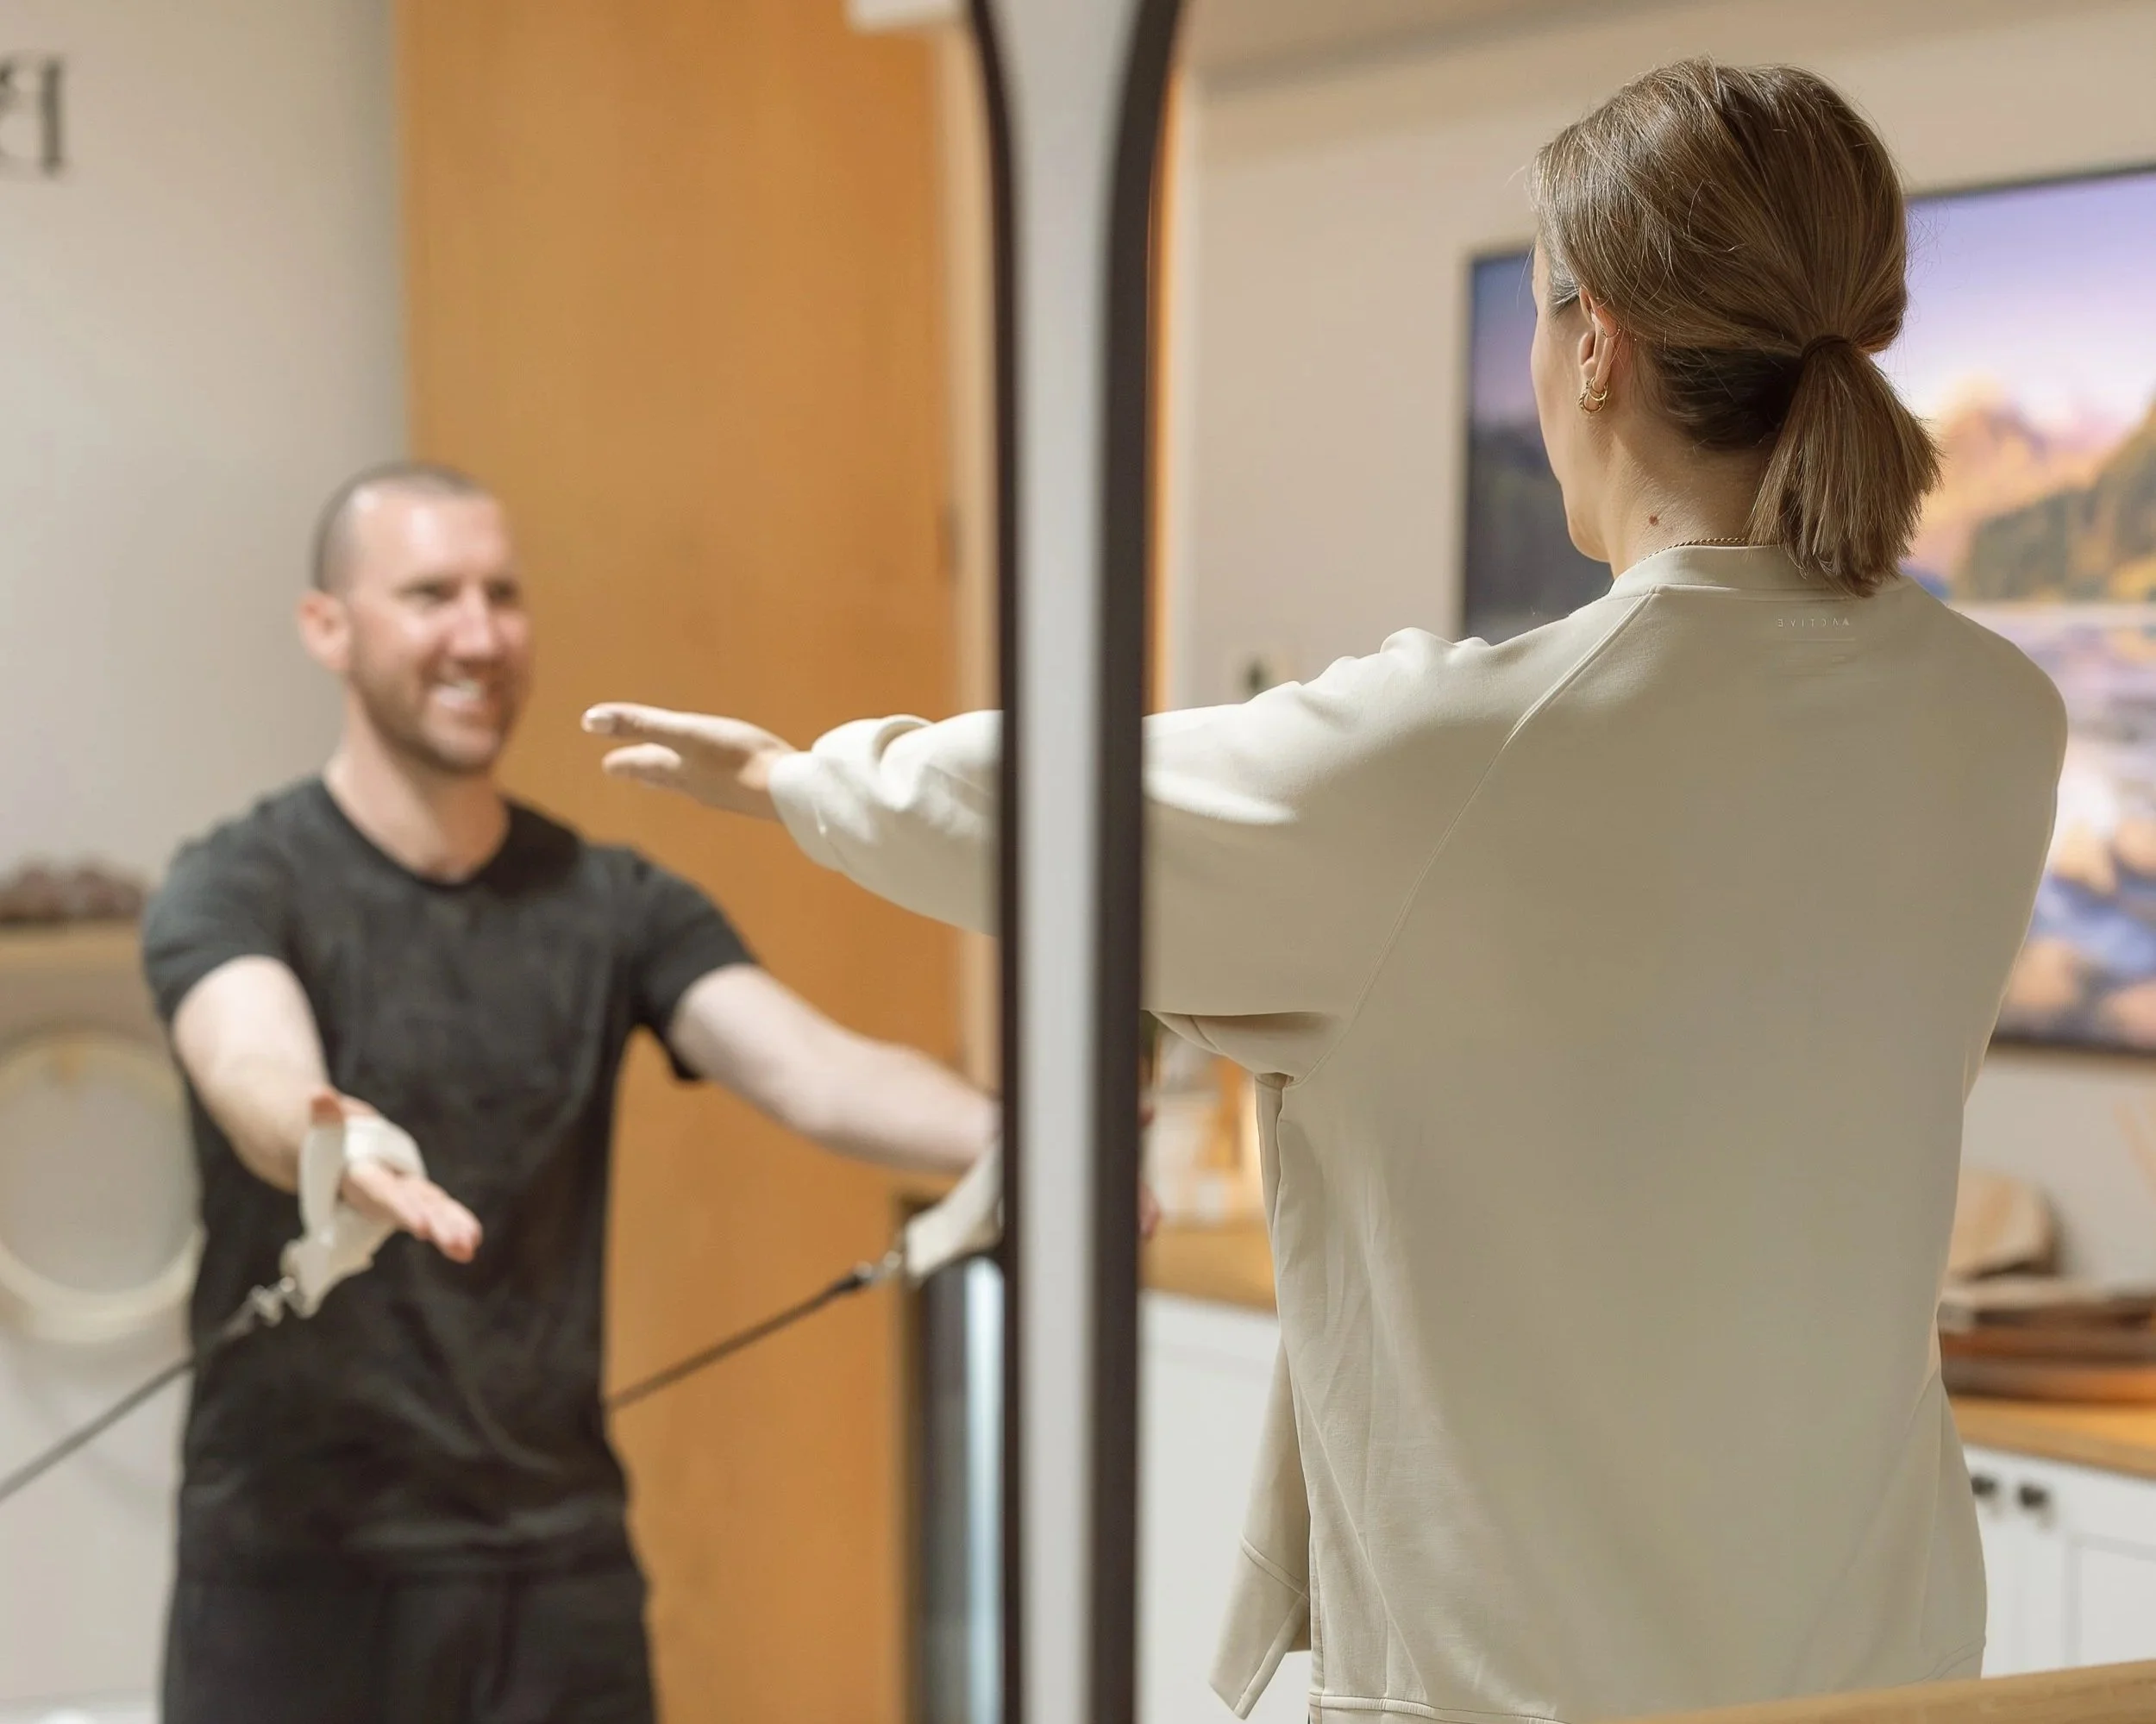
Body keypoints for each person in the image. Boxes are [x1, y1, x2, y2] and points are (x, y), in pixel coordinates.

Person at [583, 60, 2067, 1724]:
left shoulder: (1467, 753)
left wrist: (797, 777)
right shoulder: (2002, 720)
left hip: (1522, 1683)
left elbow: (1055, 805)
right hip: (1883, 1674)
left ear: (1597, 347)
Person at [142, 461, 996, 1724]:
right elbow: (249, 1060)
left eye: (503, 594)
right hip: (292, 1571)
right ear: (329, 625)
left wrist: (1023, 1131)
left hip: (555, 1572)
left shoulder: (614, 901)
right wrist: (336, 1139)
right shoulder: (236, 879)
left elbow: (816, 1071)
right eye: (431, 594)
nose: (478, 634)